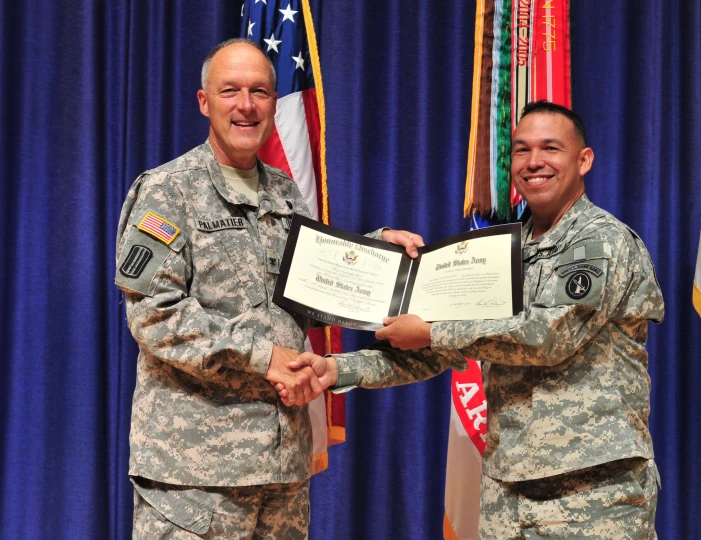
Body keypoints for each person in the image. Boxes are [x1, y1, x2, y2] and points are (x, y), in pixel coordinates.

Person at [282, 101, 665, 539]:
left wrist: (432, 330)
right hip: (508, 487)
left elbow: (546, 337)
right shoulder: (502, 254)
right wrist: (337, 368)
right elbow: (439, 349)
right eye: (521, 150)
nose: (534, 161)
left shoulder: (599, 241)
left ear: (583, 160)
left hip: (592, 491)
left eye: (550, 148)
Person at [114, 38, 422, 539]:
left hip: (282, 468)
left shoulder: (282, 190)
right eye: (230, 90)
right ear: (204, 101)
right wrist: (264, 357)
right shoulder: (167, 190)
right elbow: (155, 315)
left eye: (260, 91)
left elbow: (308, 286)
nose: (246, 105)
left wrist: (379, 254)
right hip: (196, 476)